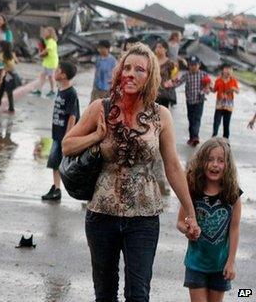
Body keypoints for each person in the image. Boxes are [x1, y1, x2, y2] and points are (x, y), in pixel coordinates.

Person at [61, 43, 201, 302]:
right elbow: (67, 145)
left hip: (144, 218)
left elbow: (172, 166)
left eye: (139, 70)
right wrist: (96, 136)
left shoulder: (161, 116)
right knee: (105, 293)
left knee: (138, 293)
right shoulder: (100, 108)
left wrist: (190, 212)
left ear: (151, 78)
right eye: (126, 67)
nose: (130, 74)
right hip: (102, 214)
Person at [178, 137, 242, 302]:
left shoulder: (232, 193)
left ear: (227, 165)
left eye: (221, 160)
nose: (215, 164)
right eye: (210, 159)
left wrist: (231, 262)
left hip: (220, 266)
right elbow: (180, 222)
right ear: (201, 162)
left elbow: (234, 229)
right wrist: (188, 230)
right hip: (195, 263)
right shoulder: (193, 189)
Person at [41, 61, 79, 201]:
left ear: (63, 75)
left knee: (62, 163)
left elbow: (72, 115)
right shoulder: (61, 89)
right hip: (57, 133)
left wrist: (67, 136)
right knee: (54, 162)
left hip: (63, 135)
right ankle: (56, 188)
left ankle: (59, 189)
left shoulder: (71, 93)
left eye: (57, 70)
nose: (55, 72)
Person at [170, 56, 211, 146]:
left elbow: (208, 85)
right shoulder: (187, 75)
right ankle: (192, 137)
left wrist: (207, 89)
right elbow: (179, 82)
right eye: (191, 65)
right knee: (191, 119)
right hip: (189, 101)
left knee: (197, 119)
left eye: (195, 65)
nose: (193, 67)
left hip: (199, 101)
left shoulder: (203, 75)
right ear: (189, 66)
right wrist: (171, 84)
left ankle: (195, 137)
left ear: (199, 65)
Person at [211, 64, 239, 139]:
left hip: (229, 106)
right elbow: (214, 90)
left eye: (230, 69)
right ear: (223, 70)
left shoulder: (233, 80)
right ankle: (214, 137)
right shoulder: (218, 80)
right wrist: (209, 86)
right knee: (216, 122)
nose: (228, 71)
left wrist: (233, 88)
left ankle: (226, 140)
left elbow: (238, 91)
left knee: (226, 124)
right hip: (219, 105)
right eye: (227, 69)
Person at [32, 26, 59, 97]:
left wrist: (39, 54)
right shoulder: (46, 41)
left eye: (46, 32)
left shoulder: (51, 41)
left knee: (51, 77)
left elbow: (47, 50)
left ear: (50, 33)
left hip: (51, 62)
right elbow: (43, 47)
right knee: (42, 76)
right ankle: (39, 90)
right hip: (47, 61)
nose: (44, 33)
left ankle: (53, 91)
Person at [0, 40, 19, 113]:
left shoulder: (2, 54)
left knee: (8, 91)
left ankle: (11, 108)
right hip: (13, 74)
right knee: (2, 88)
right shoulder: (12, 54)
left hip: (9, 75)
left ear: (2, 47)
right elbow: (17, 62)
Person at [155, 39, 178, 108]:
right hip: (153, 93)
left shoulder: (170, 63)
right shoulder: (152, 61)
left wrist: (171, 81)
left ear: (165, 49)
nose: (158, 49)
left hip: (164, 94)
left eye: (160, 47)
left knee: (163, 114)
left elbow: (175, 75)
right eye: (157, 47)